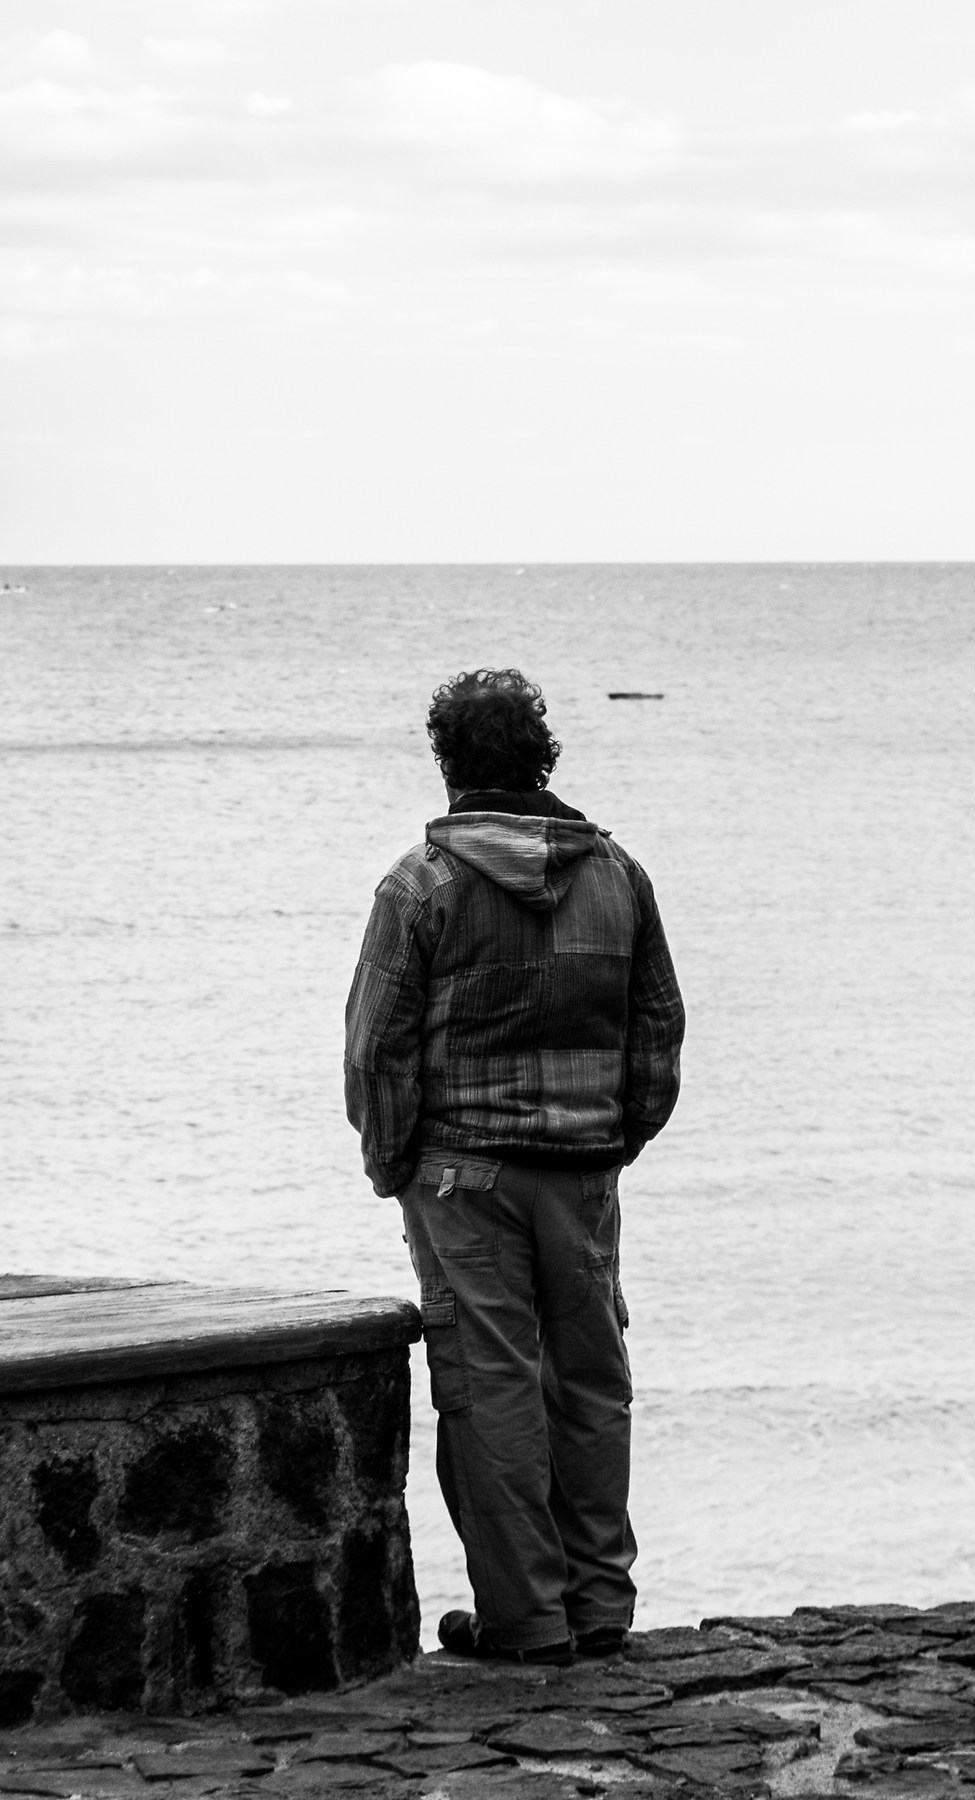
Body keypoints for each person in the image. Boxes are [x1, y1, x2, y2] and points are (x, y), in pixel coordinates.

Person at [344, 667, 684, 1665]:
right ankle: (598, 1606)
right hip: (581, 1173)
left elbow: (377, 1051)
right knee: (589, 1384)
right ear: (543, 758)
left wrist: (394, 1162)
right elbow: (656, 1028)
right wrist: (616, 1137)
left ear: (449, 763)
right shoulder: (618, 876)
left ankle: (527, 1620)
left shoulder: (420, 886)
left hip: (463, 1177)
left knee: (490, 1389)